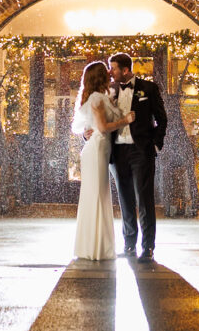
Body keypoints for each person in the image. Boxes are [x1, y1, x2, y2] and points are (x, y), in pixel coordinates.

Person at [86, 52, 167, 262]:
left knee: (145, 199)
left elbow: (162, 119)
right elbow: (95, 117)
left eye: (113, 69)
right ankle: (129, 244)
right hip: (117, 152)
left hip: (141, 151)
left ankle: (148, 247)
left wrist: (156, 145)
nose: (110, 73)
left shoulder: (148, 88)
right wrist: (89, 133)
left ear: (125, 70)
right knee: (125, 200)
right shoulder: (108, 91)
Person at [71, 60, 136, 261]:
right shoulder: (98, 98)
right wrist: (124, 121)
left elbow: (88, 125)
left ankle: (92, 246)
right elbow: (102, 127)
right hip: (98, 149)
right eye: (105, 71)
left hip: (100, 148)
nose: (110, 72)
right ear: (101, 77)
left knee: (96, 195)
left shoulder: (98, 97)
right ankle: (96, 248)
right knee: (98, 195)